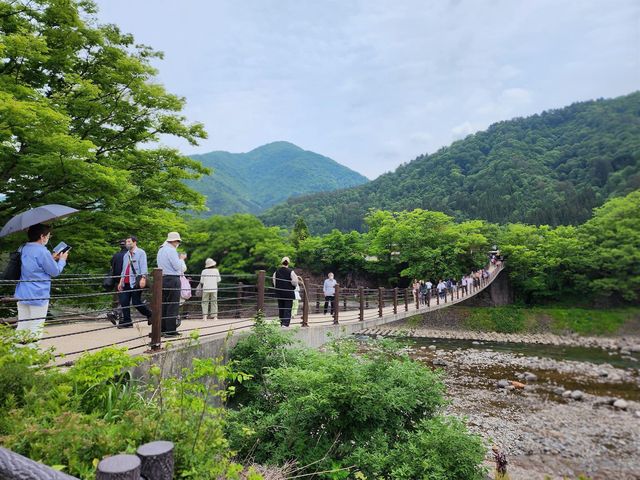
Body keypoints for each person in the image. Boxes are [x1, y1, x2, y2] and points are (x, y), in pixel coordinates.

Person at [14, 224, 68, 341]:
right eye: (48, 236)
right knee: (36, 327)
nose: (48, 238)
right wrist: (62, 260)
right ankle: (32, 356)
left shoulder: (24, 248)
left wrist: (51, 258)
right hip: (38, 295)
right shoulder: (43, 251)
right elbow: (55, 272)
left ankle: (17, 354)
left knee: (22, 326)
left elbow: (34, 266)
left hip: (22, 293)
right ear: (42, 236)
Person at [116, 236, 152, 328]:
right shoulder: (126, 255)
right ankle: (127, 321)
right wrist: (121, 281)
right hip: (126, 281)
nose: (127, 243)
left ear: (134, 242)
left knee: (136, 302)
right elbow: (124, 270)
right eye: (126, 242)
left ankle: (150, 314)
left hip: (136, 281)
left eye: (129, 241)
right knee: (124, 301)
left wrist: (143, 278)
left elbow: (144, 266)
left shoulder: (141, 253)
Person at [156, 232, 183, 337]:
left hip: (162, 278)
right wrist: (181, 260)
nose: (178, 243)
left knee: (164, 304)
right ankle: (170, 330)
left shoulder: (161, 250)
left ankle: (162, 329)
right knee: (173, 304)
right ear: (175, 241)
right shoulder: (171, 250)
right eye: (178, 241)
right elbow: (177, 267)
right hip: (173, 278)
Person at [272, 257, 298, 327]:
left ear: (281, 263)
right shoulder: (291, 272)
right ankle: (285, 324)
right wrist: (292, 287)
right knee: (288, 308)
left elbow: (274, 283)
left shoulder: (276, 272)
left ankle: (281, 323)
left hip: (279, 293)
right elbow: (295, 282)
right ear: (288, 263)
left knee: (281, 308)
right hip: (288, 293)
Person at [107, 239, 127, 325]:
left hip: (116, 279)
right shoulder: (129, 255)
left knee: (118, 298)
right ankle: (118, 315)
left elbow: (112, 265)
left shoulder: (115, 255)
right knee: (126, 298)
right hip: (126, 279)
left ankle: (115, 314)